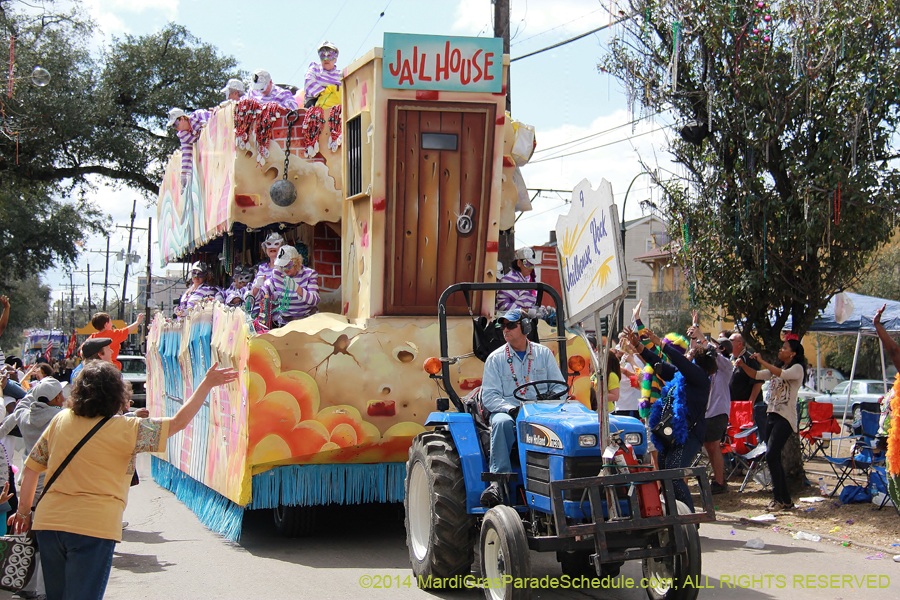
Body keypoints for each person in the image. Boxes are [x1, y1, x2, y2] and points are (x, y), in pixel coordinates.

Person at [9, 360, 238, 600]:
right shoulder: (129, 428)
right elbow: (179, 422)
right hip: (94, 527)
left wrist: (24, 514)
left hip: (49, 525)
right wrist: (207, 383)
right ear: (118, 394)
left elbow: (32, 469)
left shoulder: (60, 420)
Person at [479, 309, 567, 507]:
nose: (505, 330)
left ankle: (562, 479)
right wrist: (512, 409)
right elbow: (490, 397)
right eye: (503, 326)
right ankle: (497, 482)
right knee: (501, 422)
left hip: (541, 413)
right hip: (510, 414)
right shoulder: (495, 359)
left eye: (511, 325)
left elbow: (560, 387)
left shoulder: (543, 354)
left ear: (526, 327)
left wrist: (549, 399)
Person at [625, 326, 717, 512]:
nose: (688, 354)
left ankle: (689, 518)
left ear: (699, 360)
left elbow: (681, 363)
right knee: (665, 473)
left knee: (674, 474)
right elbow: (658, 365)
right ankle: (673, 515)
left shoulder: (700, 377)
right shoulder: (682, 376)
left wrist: (661, 344)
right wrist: (639, 347)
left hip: (689, 436)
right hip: (673, 434)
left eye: (692, 352)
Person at [734, 336, 807, 511]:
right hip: (771, 415)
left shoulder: (797, 369)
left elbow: (783, 374)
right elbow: (757, 375)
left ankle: (778, 498)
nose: (781, 350)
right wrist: (743, 365)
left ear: (793, 353)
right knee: (774, 457)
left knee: (771, 455)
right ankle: (786, 500)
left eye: (785, 348)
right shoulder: (778, 368)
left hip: (785, 418)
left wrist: (761, 360)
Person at [687, 317, 734, 495]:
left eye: (716, 345)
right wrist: (694, 333)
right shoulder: (707, 366)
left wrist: (702, 337)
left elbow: (710, 352)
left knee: (713, 446)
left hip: (718, 411)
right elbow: (695, 352)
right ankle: (717, 479)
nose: (712, 348)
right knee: (709, 447)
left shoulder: (725, 365)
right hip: (705, 412)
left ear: (722, 349)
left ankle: (720, 482)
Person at [255, 245, 320, 325]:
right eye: (282, 266)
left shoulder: (309, 274)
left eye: (288, 266)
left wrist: (297, 289)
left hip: (307, 321)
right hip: (285, 322)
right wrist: (257, 287)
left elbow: (314, 300)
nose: (284, 270)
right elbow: (262, 295)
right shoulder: (277, 273)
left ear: (297, 262)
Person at [167, 107, 212, 189]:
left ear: (182, 118)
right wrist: (183, 174)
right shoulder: (183, 135)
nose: (175, 127)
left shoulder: (198, 115)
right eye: (173, 125)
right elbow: (186, 153)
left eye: (175, 123)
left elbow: (212, 123)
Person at [729, 332, 765, 434]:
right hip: (737, 405)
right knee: (739, 437)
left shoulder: (749, 359)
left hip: (749, 406)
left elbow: (757, 382)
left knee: (751, 437)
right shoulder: (733, 359)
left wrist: (750, 404)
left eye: (730, 341)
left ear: (739, 344)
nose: (728, 343)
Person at [496, 247, 538, 313]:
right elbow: (503, 305)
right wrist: (525, 311)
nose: (530, 267)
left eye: (532, 265)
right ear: (519, 263)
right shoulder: (510, 279)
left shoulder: (526, 280)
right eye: (527, 264)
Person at [303, 41, 342, 108]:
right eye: (323, 56)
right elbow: (309, 81)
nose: (326, 59)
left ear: (335, 58)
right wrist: (324, 92)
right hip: (315, 103)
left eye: (329, 55)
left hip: (335, 106)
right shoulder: (315, 68)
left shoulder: (340, 75)